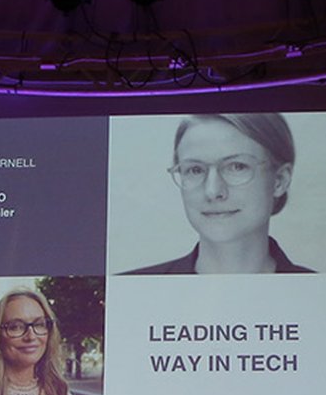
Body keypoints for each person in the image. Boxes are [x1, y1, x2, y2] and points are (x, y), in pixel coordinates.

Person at [125, 112, 313, 275]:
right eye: (195, 170)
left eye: (237, 167)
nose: (213, 191)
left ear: (280, 180)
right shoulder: (129, 290)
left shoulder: (319, 290)